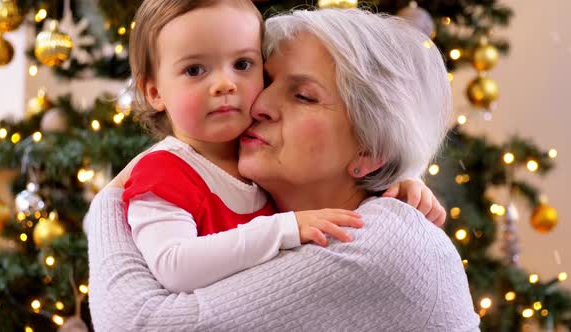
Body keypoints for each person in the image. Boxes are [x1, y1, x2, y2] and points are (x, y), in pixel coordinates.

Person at [87, 7, 479, 331]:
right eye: (267, 79)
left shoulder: (376, 243)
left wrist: (111, 200)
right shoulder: (286, 222)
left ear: (372, 150)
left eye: (304, 95)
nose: (256, 104)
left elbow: (140, 326)